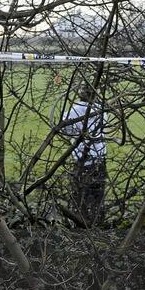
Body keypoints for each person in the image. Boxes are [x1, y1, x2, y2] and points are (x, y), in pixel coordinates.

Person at [59, 84, 107, 226]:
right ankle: (96, 223)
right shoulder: (101, 110)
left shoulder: (73, 111)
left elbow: (65, 130)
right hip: (99, 157)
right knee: (98, 197)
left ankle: (81, 223)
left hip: (81, 159)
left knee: (80, 197)